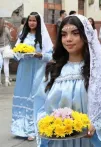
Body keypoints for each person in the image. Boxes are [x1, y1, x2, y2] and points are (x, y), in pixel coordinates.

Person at [36, 14, 101, 147]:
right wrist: (48, 124)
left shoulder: (97, 71)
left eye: (75, 33)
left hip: (87, 140)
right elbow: (40, 106)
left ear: (85, 36)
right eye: (64, 34)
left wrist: (95, 126)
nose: (68, 39)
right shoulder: (53, 70)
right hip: (58, 140)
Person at [11, 12, 53, 141]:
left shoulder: (43, 37)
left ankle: (33, 129)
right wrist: (20, 53)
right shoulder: (23, 36)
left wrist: (40, 55)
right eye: (30, 20)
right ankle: (19, 127)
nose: (32, 23)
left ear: (38, 22)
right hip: (24, 70)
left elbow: (51, 56)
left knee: (35, 97)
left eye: (34, 21)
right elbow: (16, 54)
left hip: (38, 71)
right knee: (23, 96)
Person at [0, 18, 12, 86]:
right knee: (6, 64)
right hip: (5, 47)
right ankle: (6, 80)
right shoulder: (5, 29)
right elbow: (10, 38)